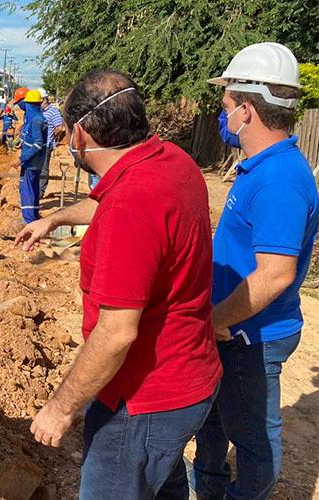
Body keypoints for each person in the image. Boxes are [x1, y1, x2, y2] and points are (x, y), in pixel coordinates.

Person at [14, 69, 222, 499]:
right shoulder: (169, 161)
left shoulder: (131, 206)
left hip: (142, 402)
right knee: (161, 484)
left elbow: (115, 334)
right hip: (187, 383)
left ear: (82, 136)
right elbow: (106, 202)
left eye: (69, 131)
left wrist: (59, 409)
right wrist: (53, 218)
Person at [191, 42, 318, 500]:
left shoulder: (280, 179)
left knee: (252, 440)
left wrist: (215, 320)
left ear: (247, 110)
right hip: (231, 327)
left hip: (249, 336)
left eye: (226, 107)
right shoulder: (260, 167)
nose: (223, 118)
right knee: (211, 427)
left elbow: (276, 274)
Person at [16, 89, 48, 223]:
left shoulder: (36, 120)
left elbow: (38, 143)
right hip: (36, 161)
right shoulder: (39, 118)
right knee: (33, 188)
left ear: (29, 104)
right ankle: (33, 216)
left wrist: (21, 159)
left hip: (31, 162)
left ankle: (28, 220)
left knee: (27, 189)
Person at [37, 88, 64, 200]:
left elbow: (59, 127)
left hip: (46, 145)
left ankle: (40, 192)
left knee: (43, 168)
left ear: (44, 100)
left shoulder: (53, 111)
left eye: (39, 102)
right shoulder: (41, 111)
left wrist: (52, 137)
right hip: (38, 145)